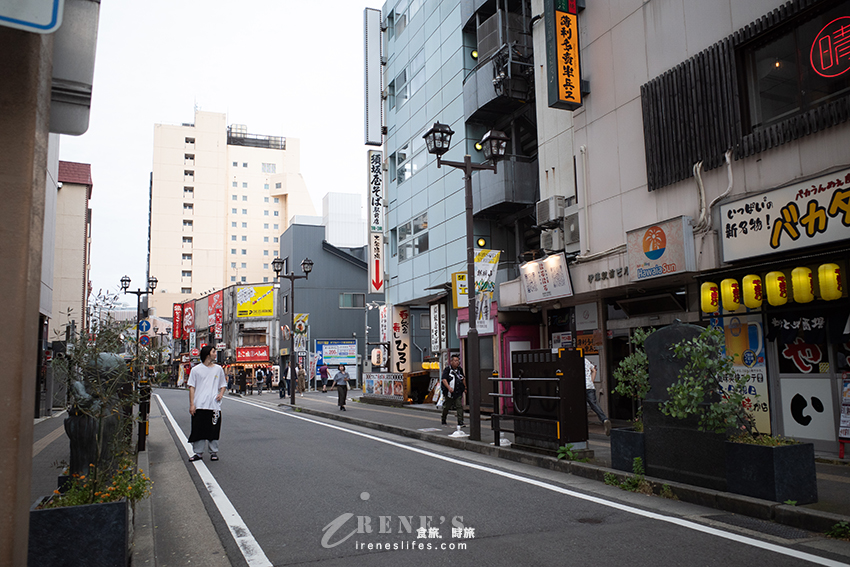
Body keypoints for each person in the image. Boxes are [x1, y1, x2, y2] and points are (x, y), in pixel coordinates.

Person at [187, 345, 227, 462]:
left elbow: (223, 384)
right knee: (198, 429)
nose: (215, 353)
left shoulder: (218, 369)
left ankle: (213, 452)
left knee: (213, 429)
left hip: (214, 405)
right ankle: (198, 453)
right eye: (213, 352)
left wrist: (221, 393)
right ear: (207, 354)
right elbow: (191, 387)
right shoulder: (196, 370)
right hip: (199, 404)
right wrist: (192, 404)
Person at [585, 357, 611, 436]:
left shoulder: (573, 361)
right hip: (590, 386)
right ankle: (604, 419)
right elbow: (594, 370)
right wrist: (591, 381)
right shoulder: (585, 360)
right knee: (594, 404)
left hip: (579, 387)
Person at [441, 354, 466, 427]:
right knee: (447, 406)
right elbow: (444, 380)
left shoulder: (459, 370)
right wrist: (449, 388)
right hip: (449, 392)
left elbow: (463, 378)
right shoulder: (447, 369)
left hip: (458, 391)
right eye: (455, 361)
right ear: (451, 361)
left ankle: (460, 421)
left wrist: (465, 388)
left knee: (459, 406)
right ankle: (443, 419)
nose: (457, 362)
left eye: (458, 361)